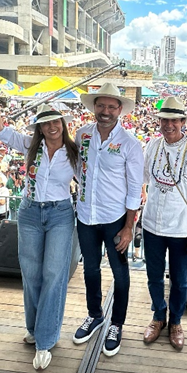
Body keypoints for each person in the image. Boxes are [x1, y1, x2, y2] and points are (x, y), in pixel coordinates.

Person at [0, 77, 79, 370]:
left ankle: (45, 339)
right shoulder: (29, 146)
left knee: (54, 273)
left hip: (61, 213)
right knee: (31, 272)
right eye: (46, 123)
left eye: (56, 122)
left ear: (63, 123)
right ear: (39, 127)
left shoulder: (75, 152)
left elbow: (93, 182)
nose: (52, 127)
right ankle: (35, 327)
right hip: (29, 212)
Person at [72, 83, 144, 357]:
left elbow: (135, 187)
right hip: (86, 217)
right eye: (100, 105)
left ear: (120, 110)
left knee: (120, 273)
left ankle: (117, 323)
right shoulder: (82, 135)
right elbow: (79, 170)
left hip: (115, 220)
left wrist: (129, 227)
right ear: (94, 107)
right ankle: (95, 315)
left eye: (111, 106)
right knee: (90, 269)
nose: (105, 111)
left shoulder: (130, 144)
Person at [140, 96, 187, 351]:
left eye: (174, 120)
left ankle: (176, 321)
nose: (168, 124)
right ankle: (158, 316)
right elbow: (142, 178)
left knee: (180, 280)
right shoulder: (151, 146)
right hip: (151, 224)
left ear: (183, 122)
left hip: (182, 228)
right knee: (153, 276)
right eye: (164, 120)